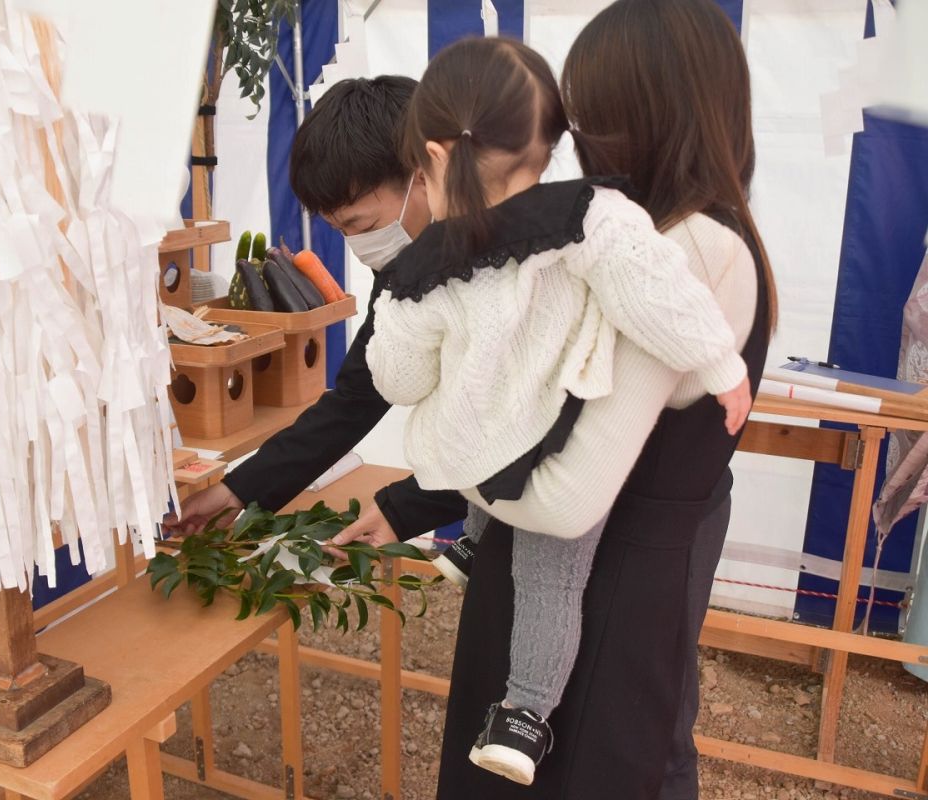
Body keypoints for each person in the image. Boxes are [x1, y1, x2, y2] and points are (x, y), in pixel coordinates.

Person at [363, 37, 751, 787]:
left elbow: (399, 375)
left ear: (435, 159)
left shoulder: (427, 265)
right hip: (542, 440)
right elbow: (654, 294)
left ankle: (525, 706)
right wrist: (718, 363)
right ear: (551, 144)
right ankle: (524, 711)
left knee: (541, 557)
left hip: (491, 459)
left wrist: (408, 333)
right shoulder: (592, 216)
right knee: (548, 568)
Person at [163, 77, 466, 553]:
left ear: (423, 174)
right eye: (338, 230)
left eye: (360, 225)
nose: (357, 245)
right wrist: (238, 490)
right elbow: (357, 397)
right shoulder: (406, 269)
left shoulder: (511, 266)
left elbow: (522, 432)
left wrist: (404, 506)